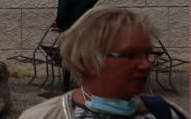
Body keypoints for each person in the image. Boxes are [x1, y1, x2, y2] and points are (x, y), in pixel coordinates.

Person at [18, 7, 187, 119]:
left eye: (147, 54)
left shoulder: (166, 113)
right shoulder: (45, 116)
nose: (145, 65)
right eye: (129, 55)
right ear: (87, 61)